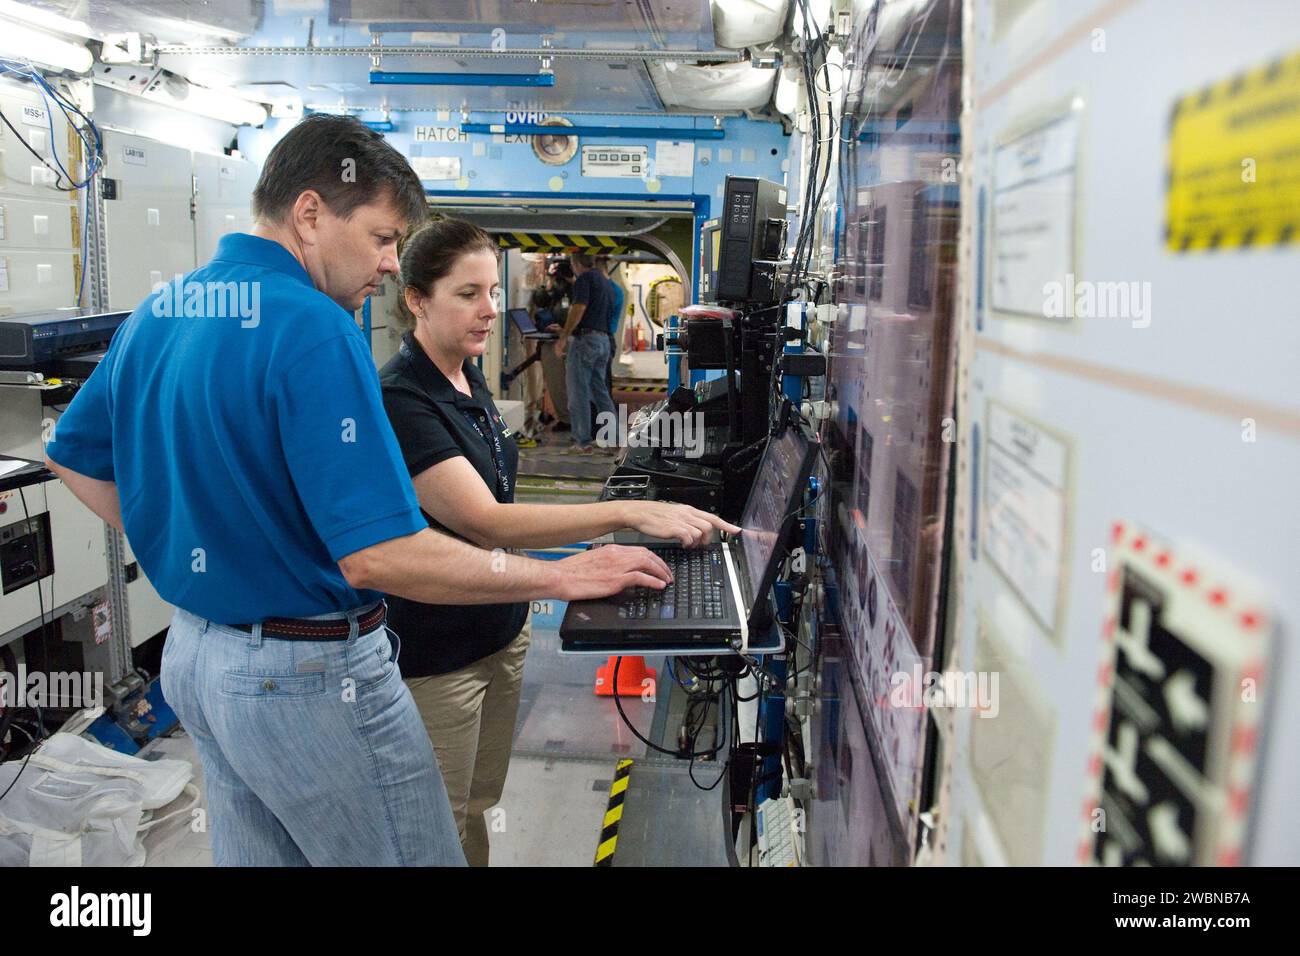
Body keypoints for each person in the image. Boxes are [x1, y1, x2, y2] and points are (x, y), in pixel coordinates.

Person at [43, 114, 671, 867]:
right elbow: (380, 556)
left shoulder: (164, 308)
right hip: (304, 674)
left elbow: (72, 453)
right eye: (380, 237)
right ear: (310, 213)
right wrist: (565, 574)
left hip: (195, 658)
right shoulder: (314, 325)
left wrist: (189, 542)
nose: (389, 262)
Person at [379, 218, 739, 866]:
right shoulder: (403, 398)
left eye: (492, 291)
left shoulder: (466, 375)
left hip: (500, 629)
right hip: (438, 654)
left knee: (479, 801)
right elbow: (485, 519)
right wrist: (622, 513)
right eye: (468, 294)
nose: (490, 309)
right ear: (416, 299)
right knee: (437, 822)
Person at [553, 253, 617, 454]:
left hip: (586, 342)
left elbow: (579, 308)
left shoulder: (584, 279)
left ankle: (582, 442)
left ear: (576, 263)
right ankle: (611, 437)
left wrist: (564, 336)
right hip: (604, 341)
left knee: (578, 392)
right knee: (600, 391)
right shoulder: (606, 282)